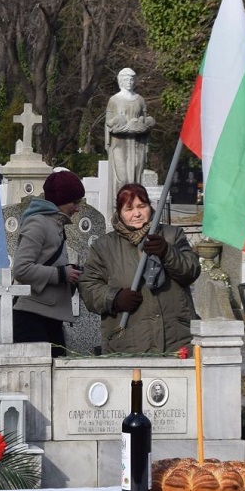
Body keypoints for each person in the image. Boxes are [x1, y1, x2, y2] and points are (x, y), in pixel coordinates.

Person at [79, 182, 200, 355]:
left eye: (141, 206)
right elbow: (88, 288)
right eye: (129, 209)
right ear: (119, 213)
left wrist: (167, 252)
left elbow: (191, 270)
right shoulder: (104, 247)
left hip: (177, 342)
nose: (136, 213)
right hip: (129, 343)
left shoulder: (172, 236)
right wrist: (115, 298)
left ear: (150, 207)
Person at [12, 169, 85, 357]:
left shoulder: (54, 223)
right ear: (60, 200)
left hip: (49, 316)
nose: (77, 208)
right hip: (32, 318)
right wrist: (61, 274)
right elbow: (21, 269)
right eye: (74, 202)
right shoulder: (38, 223)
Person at [106, 68, 155, 211]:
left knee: (135, 177)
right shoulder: (114, 100)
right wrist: (126, 127)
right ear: (120, 81)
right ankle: (120, 208)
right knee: (122, 178)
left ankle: (135, 207)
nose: (129, 82)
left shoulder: (140, 100)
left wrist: (141, 126)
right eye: (126, 79)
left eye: (132, 79)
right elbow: (109, 123)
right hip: (119, 145)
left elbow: (145, 120)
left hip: (137, 144)